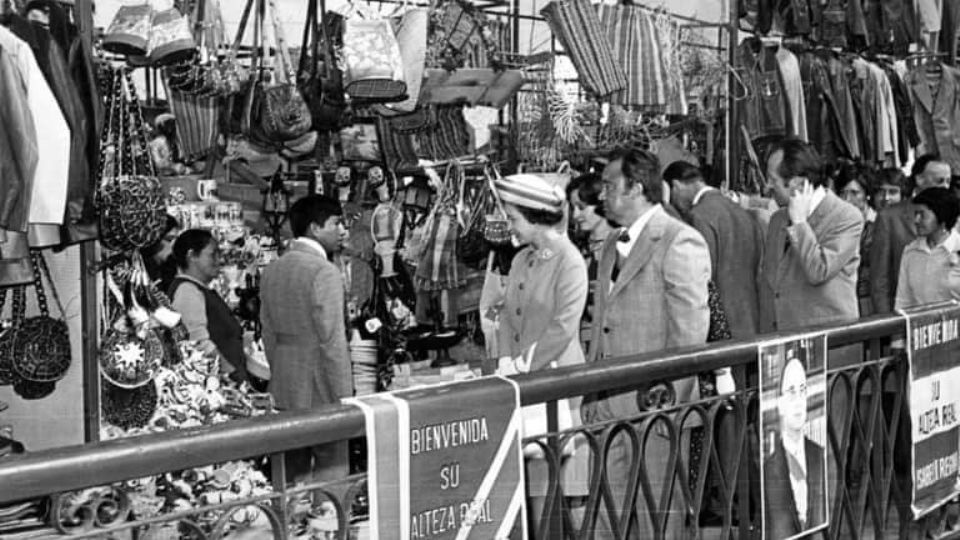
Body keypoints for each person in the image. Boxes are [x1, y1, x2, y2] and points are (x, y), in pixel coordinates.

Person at [581, 148, 711, 539]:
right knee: (605, 515)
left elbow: (690, 331)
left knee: (659, 517)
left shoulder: (679, 240)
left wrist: (667, 402)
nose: (601, 195)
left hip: (654, 407)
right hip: (606, 406)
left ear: (636, 187)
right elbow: (603, 321)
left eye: (608, 186)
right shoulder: (610, 246)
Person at [492, 173, 589, 531]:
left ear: (534, 216)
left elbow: (563, 326)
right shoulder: (522, 260)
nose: (509, 224)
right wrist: (505, 360)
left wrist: (522, 364)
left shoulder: (569, 260)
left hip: (558, 385)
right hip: (524, 384)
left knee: (560, 487)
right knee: (533, 485)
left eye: (513, 217)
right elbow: (505, 314)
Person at [259, 195, 352, 486]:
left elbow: (267, 333)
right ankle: (328, 527)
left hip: (284, 379)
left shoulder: (273, 268)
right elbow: (332, 340)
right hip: (320, 381)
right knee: (332, 467)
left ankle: (288, 526)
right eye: (336, 223)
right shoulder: (324, 271)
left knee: (288, 472)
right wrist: (344, 395)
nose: (342, 231)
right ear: (315, 227)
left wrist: (282, 369)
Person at [759, 138, 863, 333]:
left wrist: (799, 223)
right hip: (780, 340)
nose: (767, 187)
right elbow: (770, 283)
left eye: (773, 180)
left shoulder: (847, 217)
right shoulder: (777, 219)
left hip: (829, 343)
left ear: (798, 184)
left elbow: (819, 271)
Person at [665, 160, 763, 339]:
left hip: (721, 324)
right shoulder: (742, 212)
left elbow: (701, 278)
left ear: (676, 186)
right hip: (751, 318)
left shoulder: (699, 216)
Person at [870, 154, 951, 313]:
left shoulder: (955, 216)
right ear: (920, 179)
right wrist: (889, 326)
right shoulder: (889, 217)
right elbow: (880, 281)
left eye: (948, 181)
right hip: (905, 317)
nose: (945, 187)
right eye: (939, 181)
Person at [169, 229, 247, 383]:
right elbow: (198, 342)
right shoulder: (187, 291)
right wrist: (230, 374)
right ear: (192, 256)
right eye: (213, 254)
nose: (219, 260)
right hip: (214, 383)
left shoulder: (197, 289)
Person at [763, 354, 827, 538]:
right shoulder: (769, 466)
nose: (798, 401)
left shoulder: (818, 454)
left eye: (802, 390)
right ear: (780, 404)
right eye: (791, 392)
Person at [894, 187, 960, 309]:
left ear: (942, 216)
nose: (916, 220)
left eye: (922, 215)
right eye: (915, 214)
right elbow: (903, 300)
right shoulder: (911, 252)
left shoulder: (956, 247)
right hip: (921, 325)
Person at [835, 163, 878, 316]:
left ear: (867, 194)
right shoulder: (836, 225)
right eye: (842, 193)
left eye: (854, 193)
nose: (847, 199)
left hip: (870, 298)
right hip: (843, 297)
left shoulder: (878, 224)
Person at [142, 214, 180, 294]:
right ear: (154, 240)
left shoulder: (171, 268)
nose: (174, 246)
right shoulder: (140, 272)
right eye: (169, 240)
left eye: (176, 240)